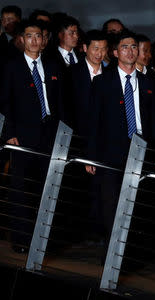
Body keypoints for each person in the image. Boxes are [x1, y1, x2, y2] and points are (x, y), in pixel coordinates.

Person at [85, 30, 155, 242]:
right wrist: (91, 155)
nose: (130, 51)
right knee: (110, 202)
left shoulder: (149, 83)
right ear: (115, 52)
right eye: (125, 47)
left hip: (142, 149)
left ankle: (129, 250)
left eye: (134, 47)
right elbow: (93, 121)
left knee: (137, 203)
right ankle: (111, 252)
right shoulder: (102, 82)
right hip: (110, 151)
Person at [0, 19, 64, 253]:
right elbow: (4, 103)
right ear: (21, 39)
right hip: (22, 138)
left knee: (45, 188)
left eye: (38, 36)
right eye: (29, 36)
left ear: (44, 40)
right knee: (20, 190)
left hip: (49, 134)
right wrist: (9, 134)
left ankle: (44, 239)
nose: (34, 40)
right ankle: (21, 240)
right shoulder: (11, 66)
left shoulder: (53, 66)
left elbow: (61, 103)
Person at [67, 29, 107, 136]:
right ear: (85, 48)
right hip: (79, 134)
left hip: (105, 134)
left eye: (103, 49)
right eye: (96, 48)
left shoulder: (111, 74)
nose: (99, 53)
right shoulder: (71, 73)